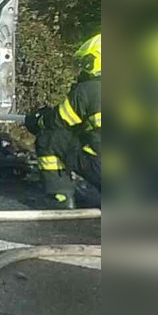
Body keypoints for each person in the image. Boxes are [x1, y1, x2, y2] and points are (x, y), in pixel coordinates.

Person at [25, 33, 101, 209]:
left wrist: (37, 120)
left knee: (50, 138)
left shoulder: (89, 90)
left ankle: (60, 197)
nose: (82, 70)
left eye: (85, 63)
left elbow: (57, 122)